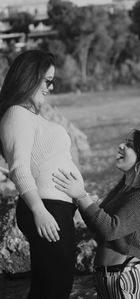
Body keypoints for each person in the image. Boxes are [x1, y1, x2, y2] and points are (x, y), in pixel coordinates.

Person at [52, 129, 140, 299]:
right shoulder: (125, 191)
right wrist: (78, 199)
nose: (120, 146)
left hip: (128, 280)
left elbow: (110, 229)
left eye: (129, 145)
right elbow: (98, 226)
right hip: (107, 279)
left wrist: (82, 196)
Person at [0, 49, 82, 299]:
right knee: (55, 288)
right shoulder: (16, 114)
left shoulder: (28, 116)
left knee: (51, 286)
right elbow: (19, 168)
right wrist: (39, 210)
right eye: (47, 80)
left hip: (56, 207)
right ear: (29, 77)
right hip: (46, 208)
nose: (51, 87)